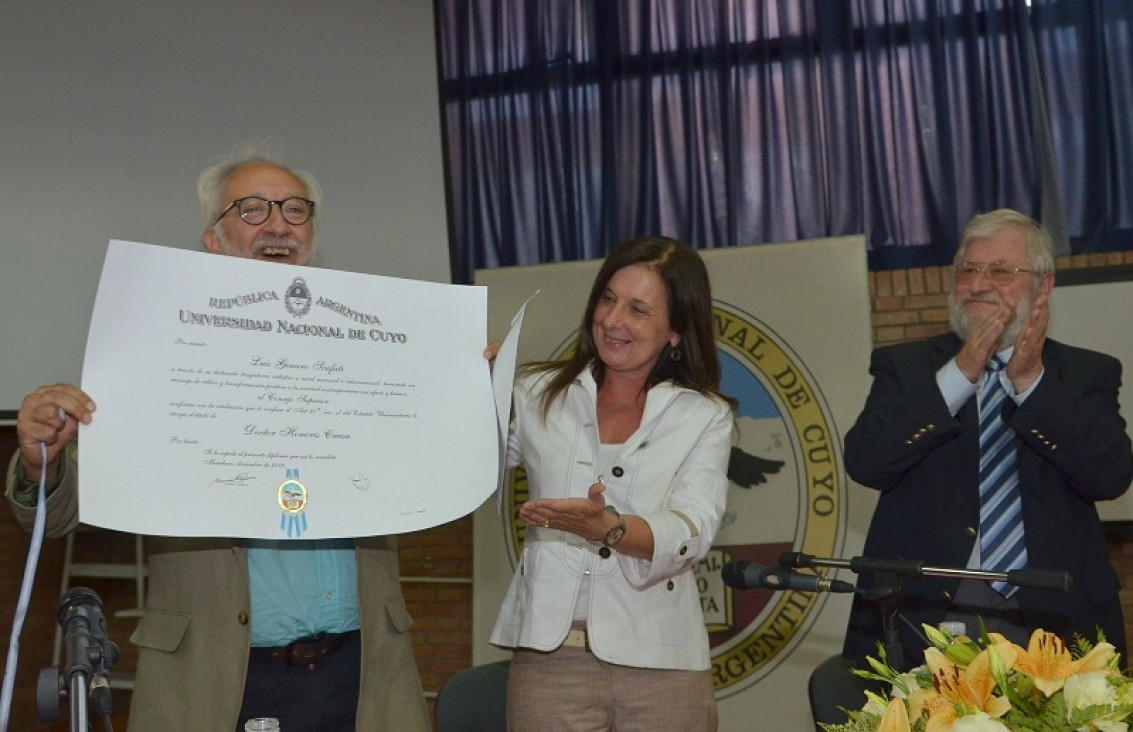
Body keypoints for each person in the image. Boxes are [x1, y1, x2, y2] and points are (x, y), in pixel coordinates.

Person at [6, 148, 435, 730]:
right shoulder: (157, 351)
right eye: (253, 209)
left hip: (362, 675)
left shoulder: (375, 350)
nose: (278, 224)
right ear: (214, 239)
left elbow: (431, 463)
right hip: (215, 677)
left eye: (294, 210)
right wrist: (44, 465)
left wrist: (460, 394)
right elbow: (59, 517)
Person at [841, 208, 1133, 670]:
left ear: (1045, 285)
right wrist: (959, 376)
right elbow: (864, 461)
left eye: (1000, 271)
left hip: (1053, 614)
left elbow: (1110, 475)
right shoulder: (906, 367)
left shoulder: (1085, 373)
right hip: (925, 614)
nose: (978, 285)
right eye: (968, 271)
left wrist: (1032, 382)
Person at [490, 236, 735, 731]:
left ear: (675, 331)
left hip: (663, 663)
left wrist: (609, 528)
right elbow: (473, 470)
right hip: (548, 660)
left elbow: (694, 527)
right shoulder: (535, 391)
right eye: (608, 298)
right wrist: (476, 396)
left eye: (638, 309)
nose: (612, 319)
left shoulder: (704, 415)